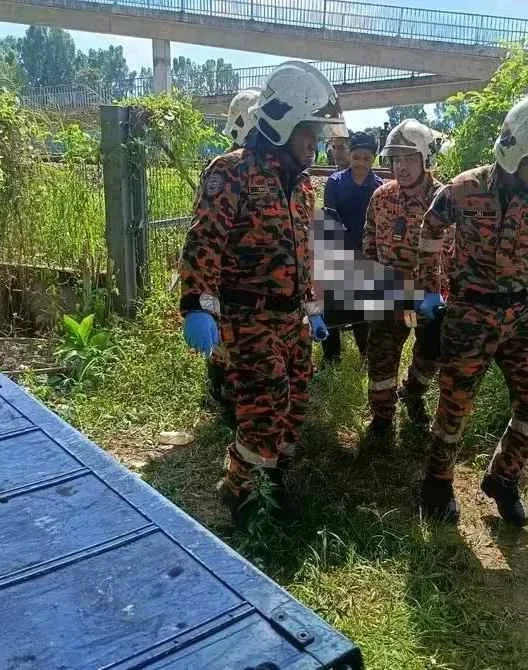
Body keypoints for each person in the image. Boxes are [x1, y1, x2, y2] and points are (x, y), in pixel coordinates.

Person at [415, 91, 528, 526]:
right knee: (454, 406)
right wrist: (428, 289)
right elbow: (430, 231)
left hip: (519, 314)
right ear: (515, 152)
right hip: (469, 313)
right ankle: (436, 483)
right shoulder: (465, 188)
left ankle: (503, 479)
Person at [178, 61, 344, 526]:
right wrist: (197, 306)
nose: (318, 143)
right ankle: (240, 492)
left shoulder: (302, 187)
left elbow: (304, 254)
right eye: (310, 133)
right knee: (264, 403)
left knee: (296, 400)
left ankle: (273, 476)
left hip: (290, 319)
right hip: (245, 318)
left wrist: (313, 309)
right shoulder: (232, 172)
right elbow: (204, 240)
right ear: (283, 123)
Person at [360, 119, 448, 440]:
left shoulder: (444, 199)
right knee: (381, 356)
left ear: (426, 159)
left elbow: (456, 251)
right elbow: (369, 241)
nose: (402, 167)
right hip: (390, 293)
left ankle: (413, 394)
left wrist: (441, 294)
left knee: (429, 354)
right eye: (396, 159)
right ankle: (382, 416)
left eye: (409, 159)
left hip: (429, 297)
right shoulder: (381, 197)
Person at [203, 88, 261, 427]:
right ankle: (226, 404)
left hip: (252, 281)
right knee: (223, 346)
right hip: (224, 277)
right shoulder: (224, 168)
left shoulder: (265, 168)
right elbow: (207, 234)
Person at [320, 131, 384, 366]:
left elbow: (380, 224)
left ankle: (366, 355)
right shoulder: (335, 183)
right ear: (349, 155)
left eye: (366, 158)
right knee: (332, 306)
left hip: (366, 255)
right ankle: (331, 357)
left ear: (373, 159)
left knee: (364, 309)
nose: (360, 163)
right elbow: (330, 218)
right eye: (356, 157)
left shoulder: (378, 186)